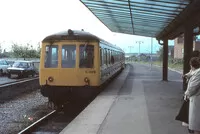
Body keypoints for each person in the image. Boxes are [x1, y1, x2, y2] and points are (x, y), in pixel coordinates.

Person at [185, 57, 200, 134]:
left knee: (196, 124)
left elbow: (193, 87)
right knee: (195, 123)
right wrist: (186, 75)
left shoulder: (198, 73)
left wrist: (186, 94)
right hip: (195, 99)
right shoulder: (196, 71)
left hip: (197, 99)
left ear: (192, 65)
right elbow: (191, 72)